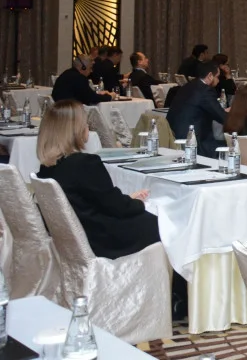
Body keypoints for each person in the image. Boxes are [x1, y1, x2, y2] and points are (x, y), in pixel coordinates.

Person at [36, 99, 158, 257]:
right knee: (162, 225)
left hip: (78, 236)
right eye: (85, 124)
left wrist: (126, 198)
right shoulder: (84, 164)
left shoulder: (47, 166)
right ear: (76, 130)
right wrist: (137, 204)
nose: (88, 127)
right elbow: (116, 207)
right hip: (101, 239)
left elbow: (97, 199)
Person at [166, 62, 227, 158]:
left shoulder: (188, 86)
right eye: (217, 77)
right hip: (194, 141)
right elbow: (222, 117)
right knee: (229, 144)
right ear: (210, 76)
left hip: (174, 135)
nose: (218, 81)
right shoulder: (205, 90)